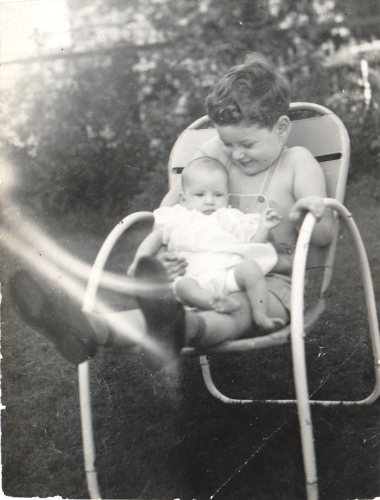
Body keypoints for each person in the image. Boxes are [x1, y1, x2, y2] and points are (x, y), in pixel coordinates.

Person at [8, 52, 334, 368]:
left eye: (246, 144)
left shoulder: (297, 163)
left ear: (280, 128)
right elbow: (170, 210)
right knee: (163, 313)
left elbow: (324, 236)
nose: (236, 154)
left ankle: (179, 328)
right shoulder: (214, 154)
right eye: (228, 143)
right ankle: (85, 329)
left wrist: (308, 212)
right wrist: (162, 250)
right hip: (207, 273)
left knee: (232, 309)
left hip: (271, 283)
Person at [128, 157, 284, 332]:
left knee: (251, 269)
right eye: (200, 195)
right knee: (183, 286)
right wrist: (140, 260)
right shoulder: (176, 216)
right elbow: (155, 237)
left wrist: (264, 227)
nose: (209, 201)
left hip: (227, 274)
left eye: (218, 195)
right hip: (193, 277)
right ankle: (214, 302)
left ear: (227, 197)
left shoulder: (232, 217)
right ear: (183, 199)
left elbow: (253, 247)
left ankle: (260, 315)